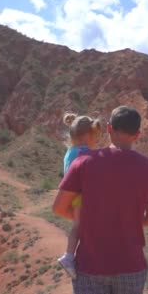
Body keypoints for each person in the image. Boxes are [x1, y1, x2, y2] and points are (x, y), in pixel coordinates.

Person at [52, 105, 148, 294]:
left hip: (90, 267)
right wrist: (126, 220)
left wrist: (89, 221)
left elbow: (59, 207)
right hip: (131, 266)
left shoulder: (83, 163)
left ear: (109, 128)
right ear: (137, 135)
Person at [57, 112, 103, 279]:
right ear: (88, 136)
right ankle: (69, 256)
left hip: (73, 195)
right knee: (79, 226)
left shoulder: (70, 152)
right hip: (82, 195)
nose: (96, 142)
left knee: (78, 225)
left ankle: (70, 256)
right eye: (95, 137)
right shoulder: (84, 152)